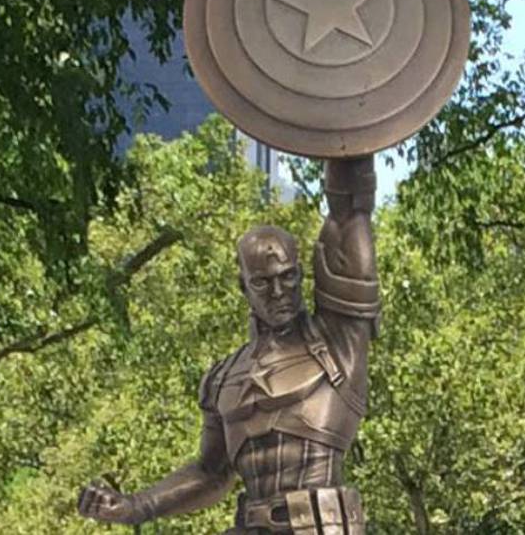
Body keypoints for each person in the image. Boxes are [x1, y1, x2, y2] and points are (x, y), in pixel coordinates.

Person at [79, 156, 379, 534]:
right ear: (243, 287)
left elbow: (349, 211)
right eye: (262, 282)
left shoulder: (338, 342)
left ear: (301, 274)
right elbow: (211, 472)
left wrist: (345, 139)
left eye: (287, 277)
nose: (278, 291)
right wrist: (135, 506)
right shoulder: (222, 379)